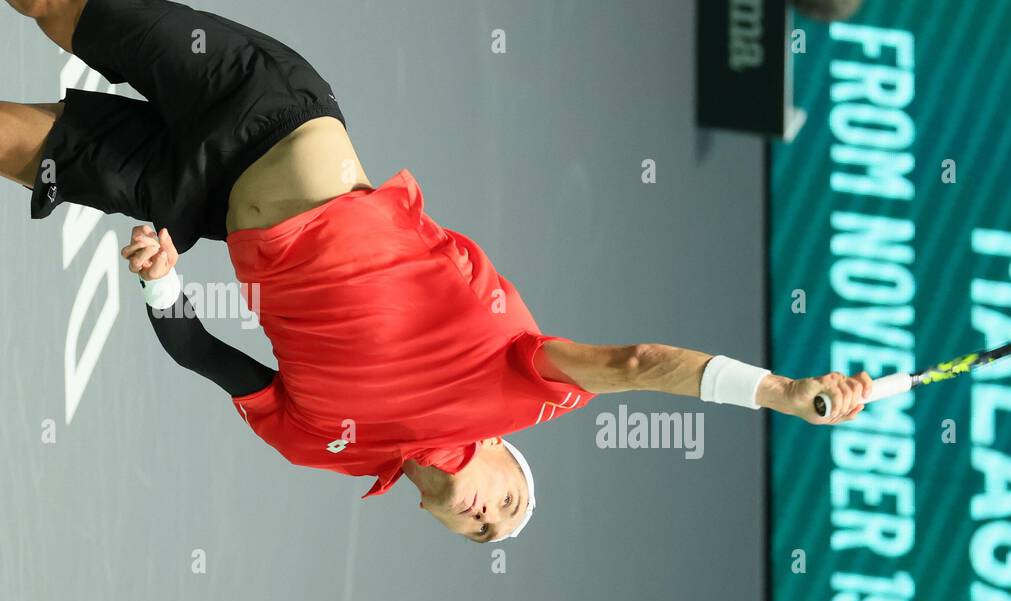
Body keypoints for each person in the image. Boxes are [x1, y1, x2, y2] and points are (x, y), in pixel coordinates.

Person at [2, 0, 872, 543]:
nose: (490, 518)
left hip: (197, 207)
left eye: (481, 533)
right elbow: (638, 365)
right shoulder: (522, 387)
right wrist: (776, 391)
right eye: (509, 505)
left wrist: (161, 282)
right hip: (271, 117)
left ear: (440, 520)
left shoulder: (328, 450)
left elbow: (204, 355)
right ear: (503, 454)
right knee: (53, 5)